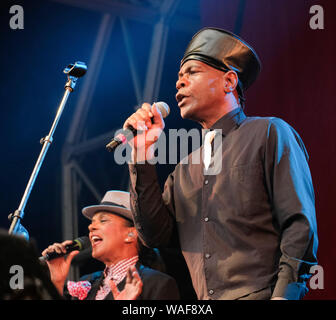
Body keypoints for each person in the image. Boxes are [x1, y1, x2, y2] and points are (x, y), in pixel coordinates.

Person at [123, 27, 318, 300]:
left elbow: (299, 223)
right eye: (179, 76)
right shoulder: (184, 169)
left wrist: (285, 294)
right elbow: (154, 237)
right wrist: (141, 156)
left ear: (229, 81)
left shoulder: (268, 132)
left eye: (192, 72)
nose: (179, 82)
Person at [42, 190, 180, 300]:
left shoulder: (157, 284)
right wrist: (56, 281)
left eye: (103, 221)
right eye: (92, 222)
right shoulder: (87, 282)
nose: (91, 227)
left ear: (131, 234)